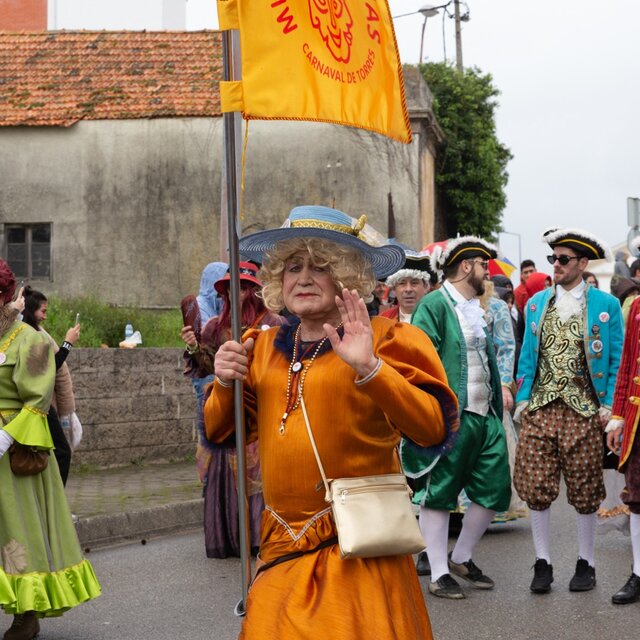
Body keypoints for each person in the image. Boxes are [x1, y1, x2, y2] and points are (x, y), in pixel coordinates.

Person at [205, 205, 459, 639]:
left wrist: (371, 369)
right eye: (293, 267)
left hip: (357, 546)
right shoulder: (258, 347)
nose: (303, 278)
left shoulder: (389, 339)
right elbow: (221, 431)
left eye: (320, 266)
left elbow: (432, 428)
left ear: (346, 276)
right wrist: (225, 381)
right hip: (280, 549)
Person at [514, 228, 623, 594]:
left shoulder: (606, 306)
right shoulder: (536, 304)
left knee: (585, 486)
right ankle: (542, 561)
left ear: (582, 263)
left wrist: (609, 407)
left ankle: (586, 561)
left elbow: (616, 359)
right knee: (536, 484)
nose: (556, 265)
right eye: (553, 258)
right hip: (541, 407)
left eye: (563, 259)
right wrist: (523, 399)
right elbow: (527, 355)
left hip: (585, 410)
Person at [405, 236, 512, 599]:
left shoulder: (475, 307)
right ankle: (438, 573)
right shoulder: (434, 305)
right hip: (451, 415)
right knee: (439, 492)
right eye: (483, 265)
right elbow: (419, 361)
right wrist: (431, 411)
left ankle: (461, 556)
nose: (487, 272)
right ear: (466, 266)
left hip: (485, 414)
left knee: (495, 489)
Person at [0, 260, 100, 640]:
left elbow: (38, 399)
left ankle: (26, 614)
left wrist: (6, 437)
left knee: (17, 531)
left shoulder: (32, 340)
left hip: (14, 451)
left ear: (6, 300)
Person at [181, 262, 282, 558]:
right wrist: (193, 346)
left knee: (258, 473)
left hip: (260, 409)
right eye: (227, 290)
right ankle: (231, 537)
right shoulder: (215, 326)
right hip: (225, 408)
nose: (232, 295)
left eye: (239, 288)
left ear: (252, 290)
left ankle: (260, 538)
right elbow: (204, 367)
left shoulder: (273, 321)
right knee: (225, 473)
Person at [20, 286, 81, 486]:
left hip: (39, 403)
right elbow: (49, 368)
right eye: (43, 311)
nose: (45, 316)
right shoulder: (29, 334)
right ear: (31, 310)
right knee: (61, 452)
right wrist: (67, 343)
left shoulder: (33, 331)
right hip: (38, 404)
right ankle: (56, 500)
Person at [605, 292, 640, 604]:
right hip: (638, 416)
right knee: (638, 496)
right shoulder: (638, 306)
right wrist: (617, 417)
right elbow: (627, 365)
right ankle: (639, 573)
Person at [380, 250, 433, 322]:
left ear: (425, 286)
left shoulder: (437, 319)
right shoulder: (384, 319)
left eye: (414, 283)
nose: (408, 289)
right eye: (402, 283)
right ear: (394, 289)